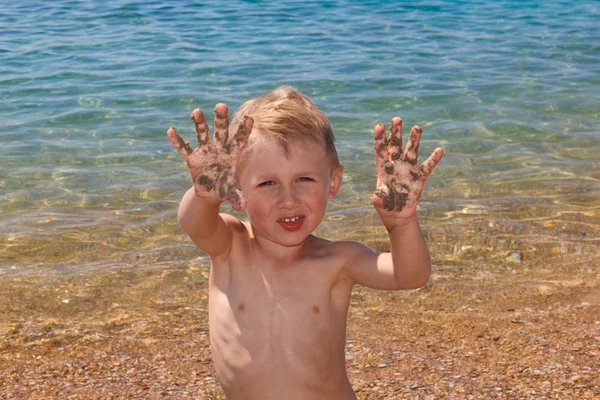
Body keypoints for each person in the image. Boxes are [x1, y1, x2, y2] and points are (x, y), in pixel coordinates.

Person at [167, 86, 444, 400]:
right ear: (235, 186)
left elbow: (410, 275)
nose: (289, 200)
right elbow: (194, 224)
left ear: (333, 183)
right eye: (268, 183)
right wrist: (205, 194)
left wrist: (401, 223)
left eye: (304, 179)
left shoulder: (338, 260)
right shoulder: (232, 246)